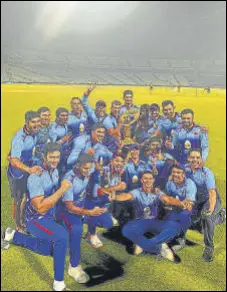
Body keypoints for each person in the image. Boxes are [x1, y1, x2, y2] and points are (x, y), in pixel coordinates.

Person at [3, 143, 72, 291]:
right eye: (51, 157)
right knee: (61, 237)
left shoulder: (54, 171)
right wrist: (62, 189)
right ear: (44, 157)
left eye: (57, 157)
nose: (54, 160)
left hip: (49, 216)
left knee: (49, 249)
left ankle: (12, 235)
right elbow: (40, 207)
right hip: (35, 219)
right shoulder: (35, 177)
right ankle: (59, 283)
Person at [108, 171, 181, 262]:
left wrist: (180, 203)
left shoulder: (157, 192)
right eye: (145, 178)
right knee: (126, 230)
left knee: (174, 226)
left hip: (155, 223)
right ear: (142, 180)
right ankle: (159, 247)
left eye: (150, 178)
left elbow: (168, 199)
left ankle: (145, 244)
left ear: (153, 180)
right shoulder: (136, 192)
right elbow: (126, 196)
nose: (148, 181)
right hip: (139, 223)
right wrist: (115, 197)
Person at [56, 154, 107, 283]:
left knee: (103, 219)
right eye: (85, 168)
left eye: (89, 168)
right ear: (77, 166)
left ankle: (90, 235)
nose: (88, 171)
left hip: (80, 209)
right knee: (76, 229)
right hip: (66, 212)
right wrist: (88, 212)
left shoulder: (86, 174)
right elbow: (69, 207)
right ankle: (73, 267)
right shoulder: (69, 180)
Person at [185, 149, 226, 262]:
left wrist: (211, 209)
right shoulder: (185, 170)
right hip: (197, 203)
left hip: (211, 200)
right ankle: (221, 216)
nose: (195, 160)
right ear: (188, 159)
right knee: (190, 221)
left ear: (201, 159)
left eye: (198, 157)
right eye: (192, 157)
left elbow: (212, 193)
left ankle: (209, 248)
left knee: (207, 217)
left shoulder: (206, 173)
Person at [7, 110, 42, 232]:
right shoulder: (19, 138)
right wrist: (29, 169)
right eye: (33, 122)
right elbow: (14, 161)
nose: (37, 124)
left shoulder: (34, 133)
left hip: (28, 168)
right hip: (17, 172)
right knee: (18, 199)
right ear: (26, 123)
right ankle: (17, 225)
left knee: (26, 197)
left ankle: (23, 220)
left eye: (38, 121)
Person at [163, 165, 197, 251]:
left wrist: (175, 203)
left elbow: (189, 205)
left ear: (184, 174)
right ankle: (169, 238)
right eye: (173, 172)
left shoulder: (190, 184)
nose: (175, 174)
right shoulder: (170, 182)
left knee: (184, 214)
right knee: (168, 216)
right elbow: (166, 199)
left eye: (178, 172)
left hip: (186, 210)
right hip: (172, 209)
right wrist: (176, 203)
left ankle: (181, 238)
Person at [49, 108, 73, 177]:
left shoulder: (66, 125)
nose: (65, 117)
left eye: (66, 115)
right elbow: (51, 146)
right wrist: (62, 140)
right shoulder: (53, 128)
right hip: (57, 157)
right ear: (57, 116)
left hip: (66, 155)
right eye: (62, 115)